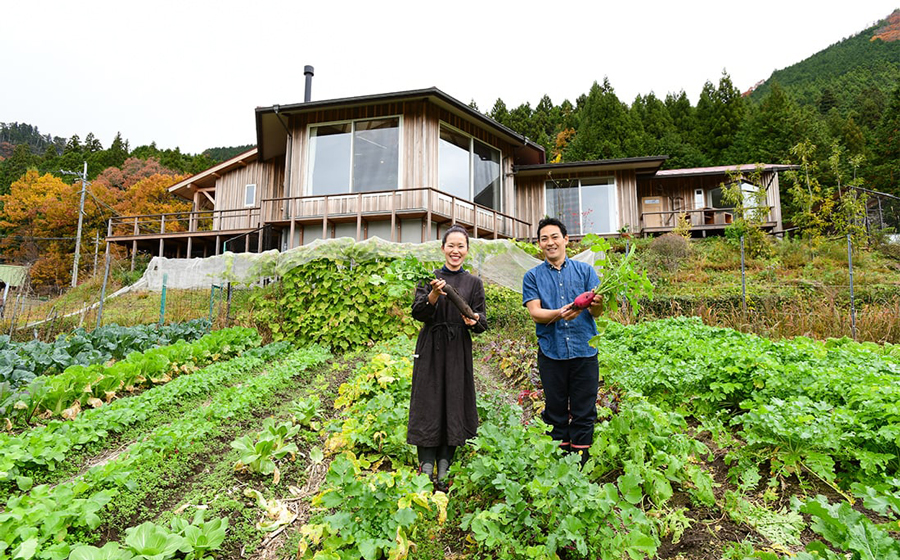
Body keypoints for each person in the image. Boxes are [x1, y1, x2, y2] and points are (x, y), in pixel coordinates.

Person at [407, 225, 488, 490]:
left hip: (457, 348)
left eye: (460, 246)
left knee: (454, 400)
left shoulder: (474, 283)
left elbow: (482, 322)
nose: (455, 251)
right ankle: (426, 463)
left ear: (466, 250)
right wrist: (432, 294)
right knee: (428, 400)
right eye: (450, 246)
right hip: (431, 345)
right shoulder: (429, 278)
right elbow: (418, 313)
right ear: (443, 249)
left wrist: (472, 320)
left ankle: (445, 464)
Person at [522, 217, 603, 466]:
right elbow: (535, 313)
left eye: (555, 237)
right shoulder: (532, 276)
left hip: (584, 351)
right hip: (552, 352)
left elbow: (595, 312)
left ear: (566, 240)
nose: (550, 242)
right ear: (539, 244)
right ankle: (560, 463)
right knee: (555, 410)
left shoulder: (586, 271)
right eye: (544, 238)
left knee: (584, 411)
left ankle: (580, 462)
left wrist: (597, 305)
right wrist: (561, 312)